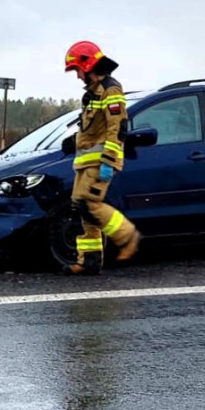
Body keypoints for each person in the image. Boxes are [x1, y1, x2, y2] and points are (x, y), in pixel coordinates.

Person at [62, 40, 142, 275]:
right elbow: (92, 128)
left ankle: (127, 236)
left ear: (87, 66)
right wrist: (73, 140)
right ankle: (89, 261)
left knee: (89, 204)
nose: (77, 76)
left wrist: (108, 160)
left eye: (77, 70)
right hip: (86, 162)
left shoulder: (111, 90)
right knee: (81, 208)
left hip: (100, 161)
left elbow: (116, 127)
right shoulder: (91, 94)